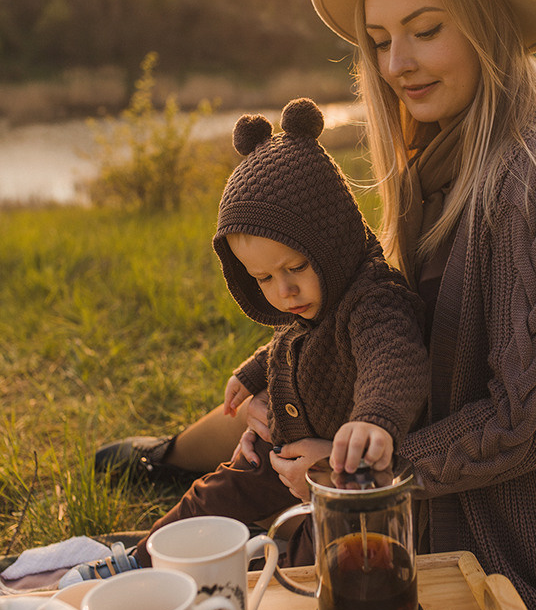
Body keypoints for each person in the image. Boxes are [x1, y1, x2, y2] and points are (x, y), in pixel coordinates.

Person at [92, 0, 536, 610]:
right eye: (381, 39)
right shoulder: (440, 154)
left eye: (425, 31)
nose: (396, 64)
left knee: (288, 588)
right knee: (272, 389)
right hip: (435, 434)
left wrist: (352, 471)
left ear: (490, 29)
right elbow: (386, 315)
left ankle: (175, 467)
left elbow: (529, 424)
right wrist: (291, 391)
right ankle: (172, 455)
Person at [83, 96, 428, 573]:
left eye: (295, 268)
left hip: (332, 472)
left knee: (320, 551)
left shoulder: (374, 301)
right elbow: (293, 340)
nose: (283, 291)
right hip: (284, 446)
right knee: (213, 494)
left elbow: (394, 358)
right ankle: (141, 560)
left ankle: (271, 560)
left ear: (333, 239)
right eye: (263, 279)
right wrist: (252, 373)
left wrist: (375, 419)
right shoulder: (317, 296)